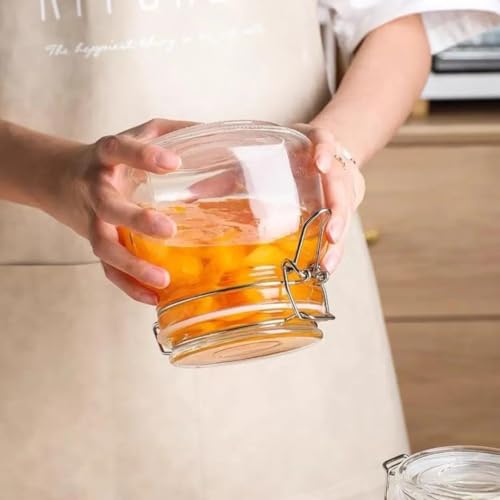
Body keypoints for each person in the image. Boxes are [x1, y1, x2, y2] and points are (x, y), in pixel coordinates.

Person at [1, 1, 499, 499]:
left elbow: (396, 25)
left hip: (292, 281)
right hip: (38, 327)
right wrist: (55, 175)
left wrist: (332, 156)